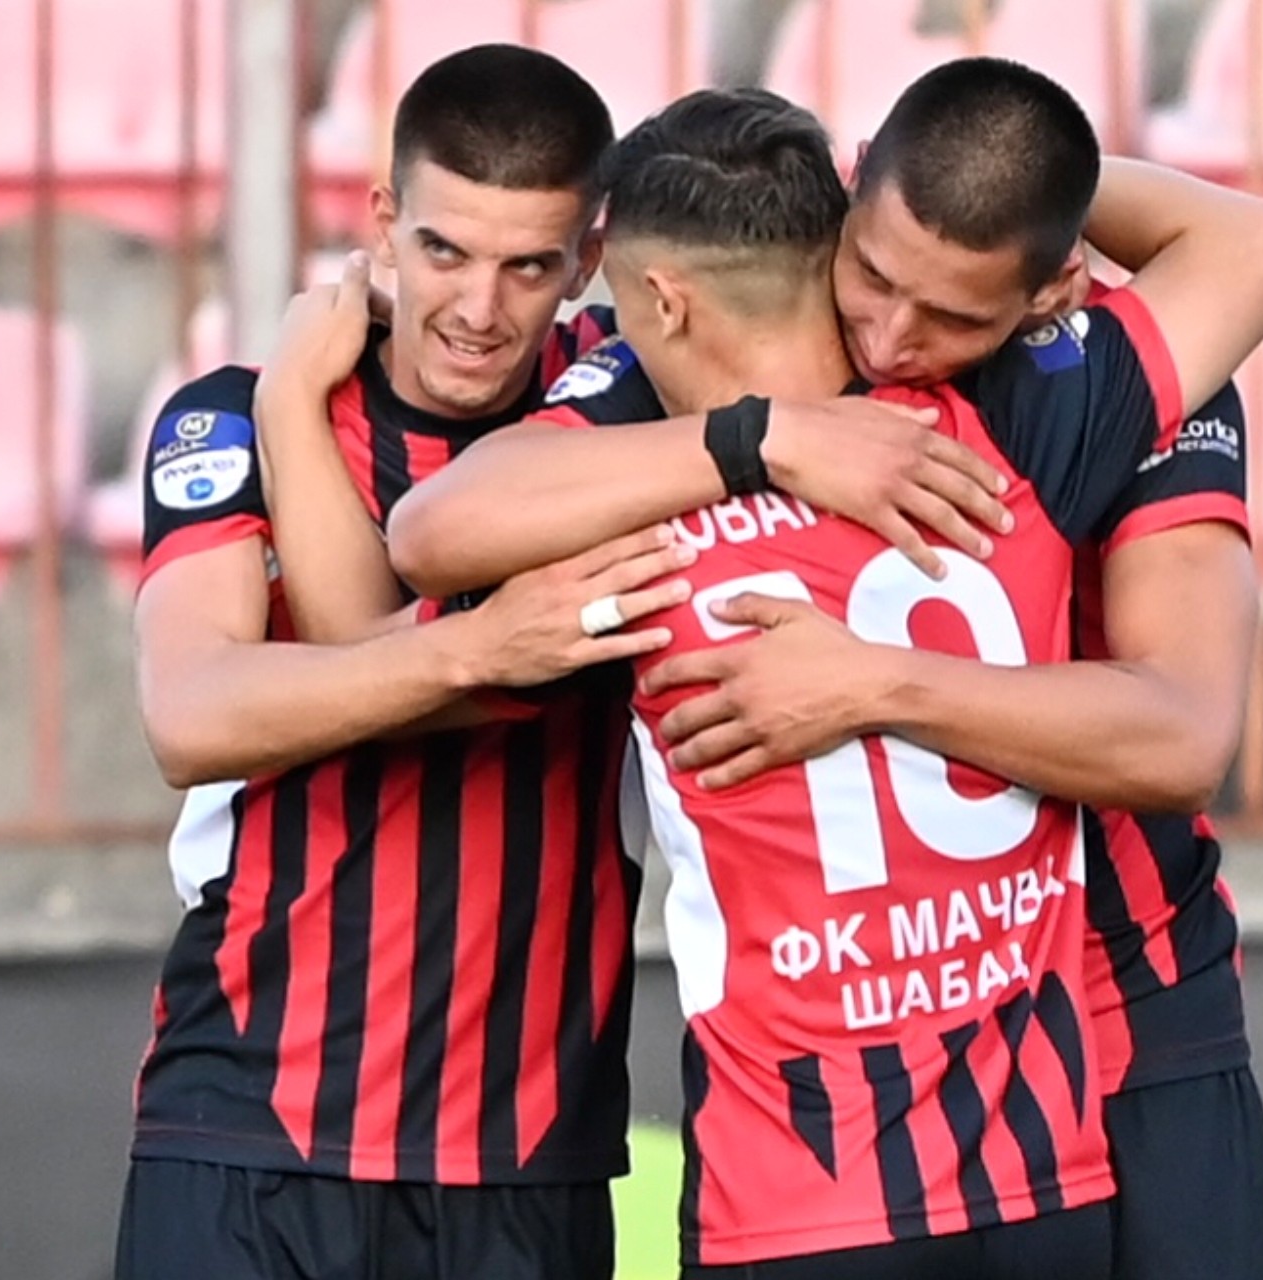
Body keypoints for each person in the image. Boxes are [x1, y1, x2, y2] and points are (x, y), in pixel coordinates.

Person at [388, 61, 1263, 1280]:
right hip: (946, 1123)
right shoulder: (677, 395)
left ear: (1050, 284)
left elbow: (1181, 736)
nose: (891, 336)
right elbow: (440, 527)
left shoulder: (1087, 384)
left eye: (955, 312)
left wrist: (870, 681)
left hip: (1138, 1015)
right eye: (870, 273)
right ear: (850, 199)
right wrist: (760, 436)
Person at [119, 44, 1017, 1280]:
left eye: (528, 266)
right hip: (248, 1116)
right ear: (383, 224)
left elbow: (838, 268)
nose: (478, 308)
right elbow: (193, 713)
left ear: (593, 261)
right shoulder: (233, 411)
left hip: (528, 1150)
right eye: (444, 251)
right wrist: (463, 631)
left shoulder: (630, 407)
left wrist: (1019, 289)